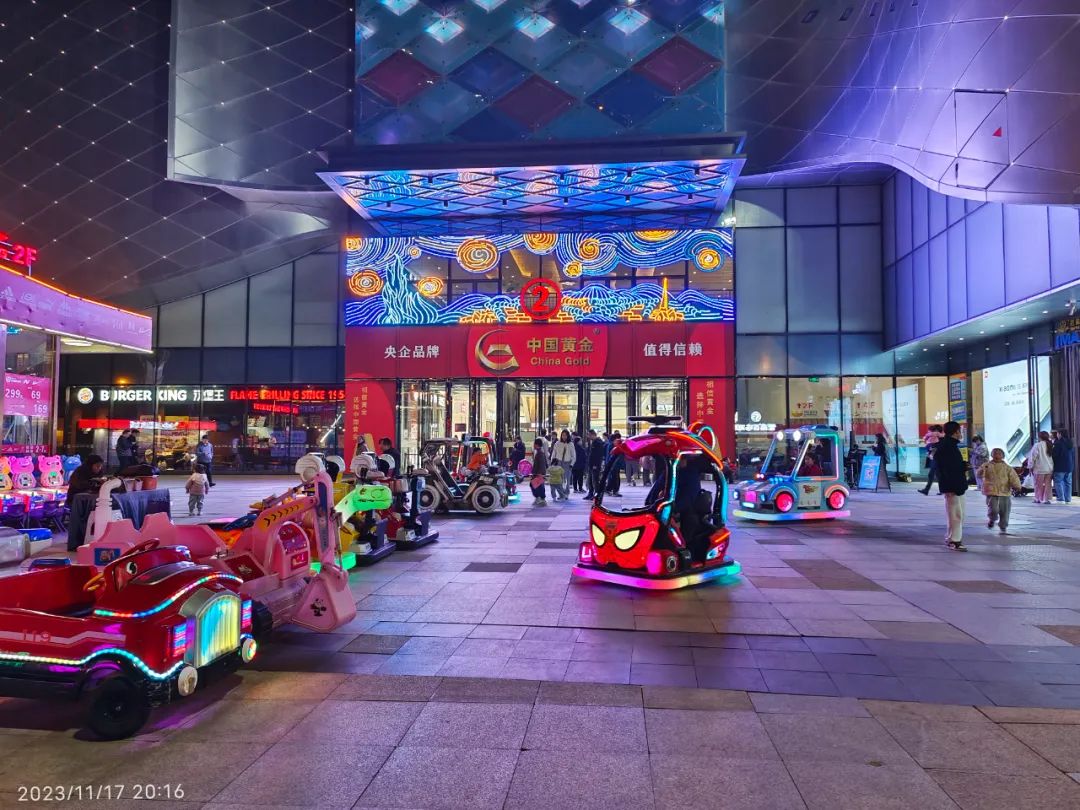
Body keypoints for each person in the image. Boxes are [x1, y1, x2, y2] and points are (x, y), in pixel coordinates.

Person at [936, 421, 968, 551]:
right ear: (955, 432)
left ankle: (952, 538)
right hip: (953, 485)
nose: (961, 433)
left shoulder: (949, 445)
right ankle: (954, 540)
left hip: (954, 484)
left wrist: (962, 466)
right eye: (960, 431)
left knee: (958, 513)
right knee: (956, 514)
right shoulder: (948, 446)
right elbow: (948, 469)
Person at [66, 454, 106, 552]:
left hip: (90, 499)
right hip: (76, 500)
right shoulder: (80, 472)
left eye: (100, 466)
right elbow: (78, 485)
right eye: (97, 466)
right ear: (90, 465)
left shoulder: (99, 473)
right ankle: (78, 541)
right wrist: (91, 483)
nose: (99, 468)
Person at [979, 447, 1020, 535]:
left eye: (999, 454)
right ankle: (992, 519)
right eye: (995, 453)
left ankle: (1003, 526)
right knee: (993, 509)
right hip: (991, 491)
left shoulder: (1007, 468)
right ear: (992, 455)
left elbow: (1014, 477)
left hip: (1004, 492)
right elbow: (979, 474)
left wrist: (1017, 486)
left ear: (1003, 456)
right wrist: (982, 470)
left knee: (1005, 510)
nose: (997, 455)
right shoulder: (986, 465)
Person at [1029, 431, 1054, 504]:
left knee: (1038, 484)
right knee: (1048, 485)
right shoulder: (1050, 445)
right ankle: (1046, 499)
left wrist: (1030, 466)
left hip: (1039, 468)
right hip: (1049, 468)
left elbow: (1033, 456)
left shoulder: (1037, 445)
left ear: (1040, 437)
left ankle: (1038, 498)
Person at [918, 425, 943, 495]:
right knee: (937, 475)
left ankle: (927, 490)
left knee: (931, 474)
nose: (930, 432)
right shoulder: (937, 438)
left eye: (932, 431)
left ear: (936, 431)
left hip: (936, 459)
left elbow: (935, 448)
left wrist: (931, 453)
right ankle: (941, 490)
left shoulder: (939, 438)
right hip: (935, 459)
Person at [550, 429, 574, 501]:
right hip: (558, 462)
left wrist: (571, 464)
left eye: (565, 435)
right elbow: (554, 453)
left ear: (568, 436)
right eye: (563, 435)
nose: (564, 437)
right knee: (558, 480)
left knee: (567, 480)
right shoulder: (557, 443)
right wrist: (552, 461)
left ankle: (566, 493)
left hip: (567, 463)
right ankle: (561, 494)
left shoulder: (571, 444)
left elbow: (573, 455)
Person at [1053, 428, 1074, 503]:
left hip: (1060, 466)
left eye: (1057, 433)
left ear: (1060, 434)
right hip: (1069, 466)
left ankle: (1061, 499)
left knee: (1058, 482)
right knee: (1068, 483)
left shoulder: (1058, 443)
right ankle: (1068, 499)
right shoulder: (1070, 443)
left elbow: (1054, 455)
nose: (1057, 435)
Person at [585, 429, 605, 500]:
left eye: (589, 435)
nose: (588, 436)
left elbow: (598, 455)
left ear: (593, 435)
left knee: (595, 481)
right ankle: (590, 494)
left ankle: (597, 495)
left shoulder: (598, 443)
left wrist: (595, 465)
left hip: (595, 465)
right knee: (590, 480)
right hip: (591, 464)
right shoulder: (593, 442)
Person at [530, 438, 548, 506]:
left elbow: (542, 464)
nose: (533, 445)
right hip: (537, 473)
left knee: (538, 486)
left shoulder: (540, 453)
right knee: (535, 485)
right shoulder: (538, 452)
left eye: (534, 444)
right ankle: (539, 498)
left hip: (539, 473)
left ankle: (542, 499)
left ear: (536, 444)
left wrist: (540, 473)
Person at [606, 432, 624, 497]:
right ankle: (614, 491)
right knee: (615, 478)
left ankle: (609, 489)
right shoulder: (613, 445)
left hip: (613, 464)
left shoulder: (611, 444)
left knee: (613, 477)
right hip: (614, 464)